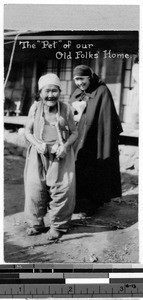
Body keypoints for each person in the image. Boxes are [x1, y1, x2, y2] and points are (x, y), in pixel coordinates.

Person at [24, 73, 78, 239]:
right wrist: (36, 143)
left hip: (60, 154)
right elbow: (27, 131)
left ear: (59, 92)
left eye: (54, 91)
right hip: (38, 153)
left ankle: (58, 226)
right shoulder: (35, 108)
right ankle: (36, 224)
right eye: (47, 91)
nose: (50, 95)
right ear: (40, 93)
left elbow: (75, 133)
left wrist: (65, 146)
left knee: (62, 190)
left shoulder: (66, 109)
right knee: (34, 189)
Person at [70, 65, 122, 215]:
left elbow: (106, 118)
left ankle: (93, 204)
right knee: (79, 166)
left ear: (89, 77)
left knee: (96, 168)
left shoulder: (102, 91)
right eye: (76, 80)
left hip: (96, 138)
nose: (80, 83)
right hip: (79, 137)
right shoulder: (77, 92)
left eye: (82, 79)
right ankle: (79, 202)